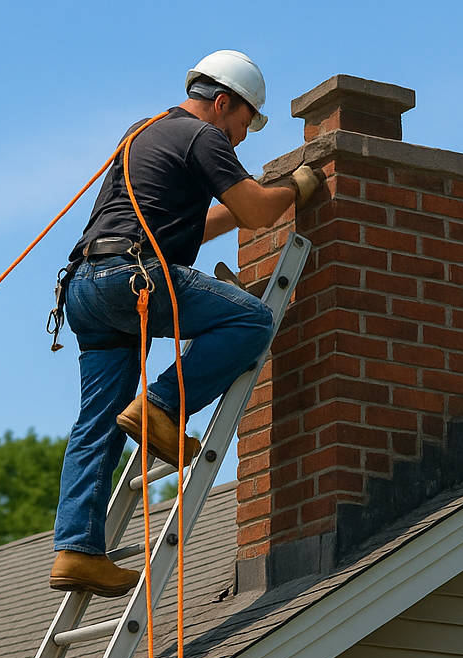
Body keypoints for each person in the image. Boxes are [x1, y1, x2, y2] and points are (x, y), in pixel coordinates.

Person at [48, 50, 319, 597]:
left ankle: (76, 550)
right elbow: (258, 212)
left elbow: (216, 219)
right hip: (133, 277)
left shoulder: (144, 132)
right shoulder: (204, 137)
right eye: (244, 122)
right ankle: (162, 406)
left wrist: (258, 200)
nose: (240, 138)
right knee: (251, 321)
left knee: (97, 421)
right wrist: (294, 188)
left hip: (85, 288)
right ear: (222, 102)